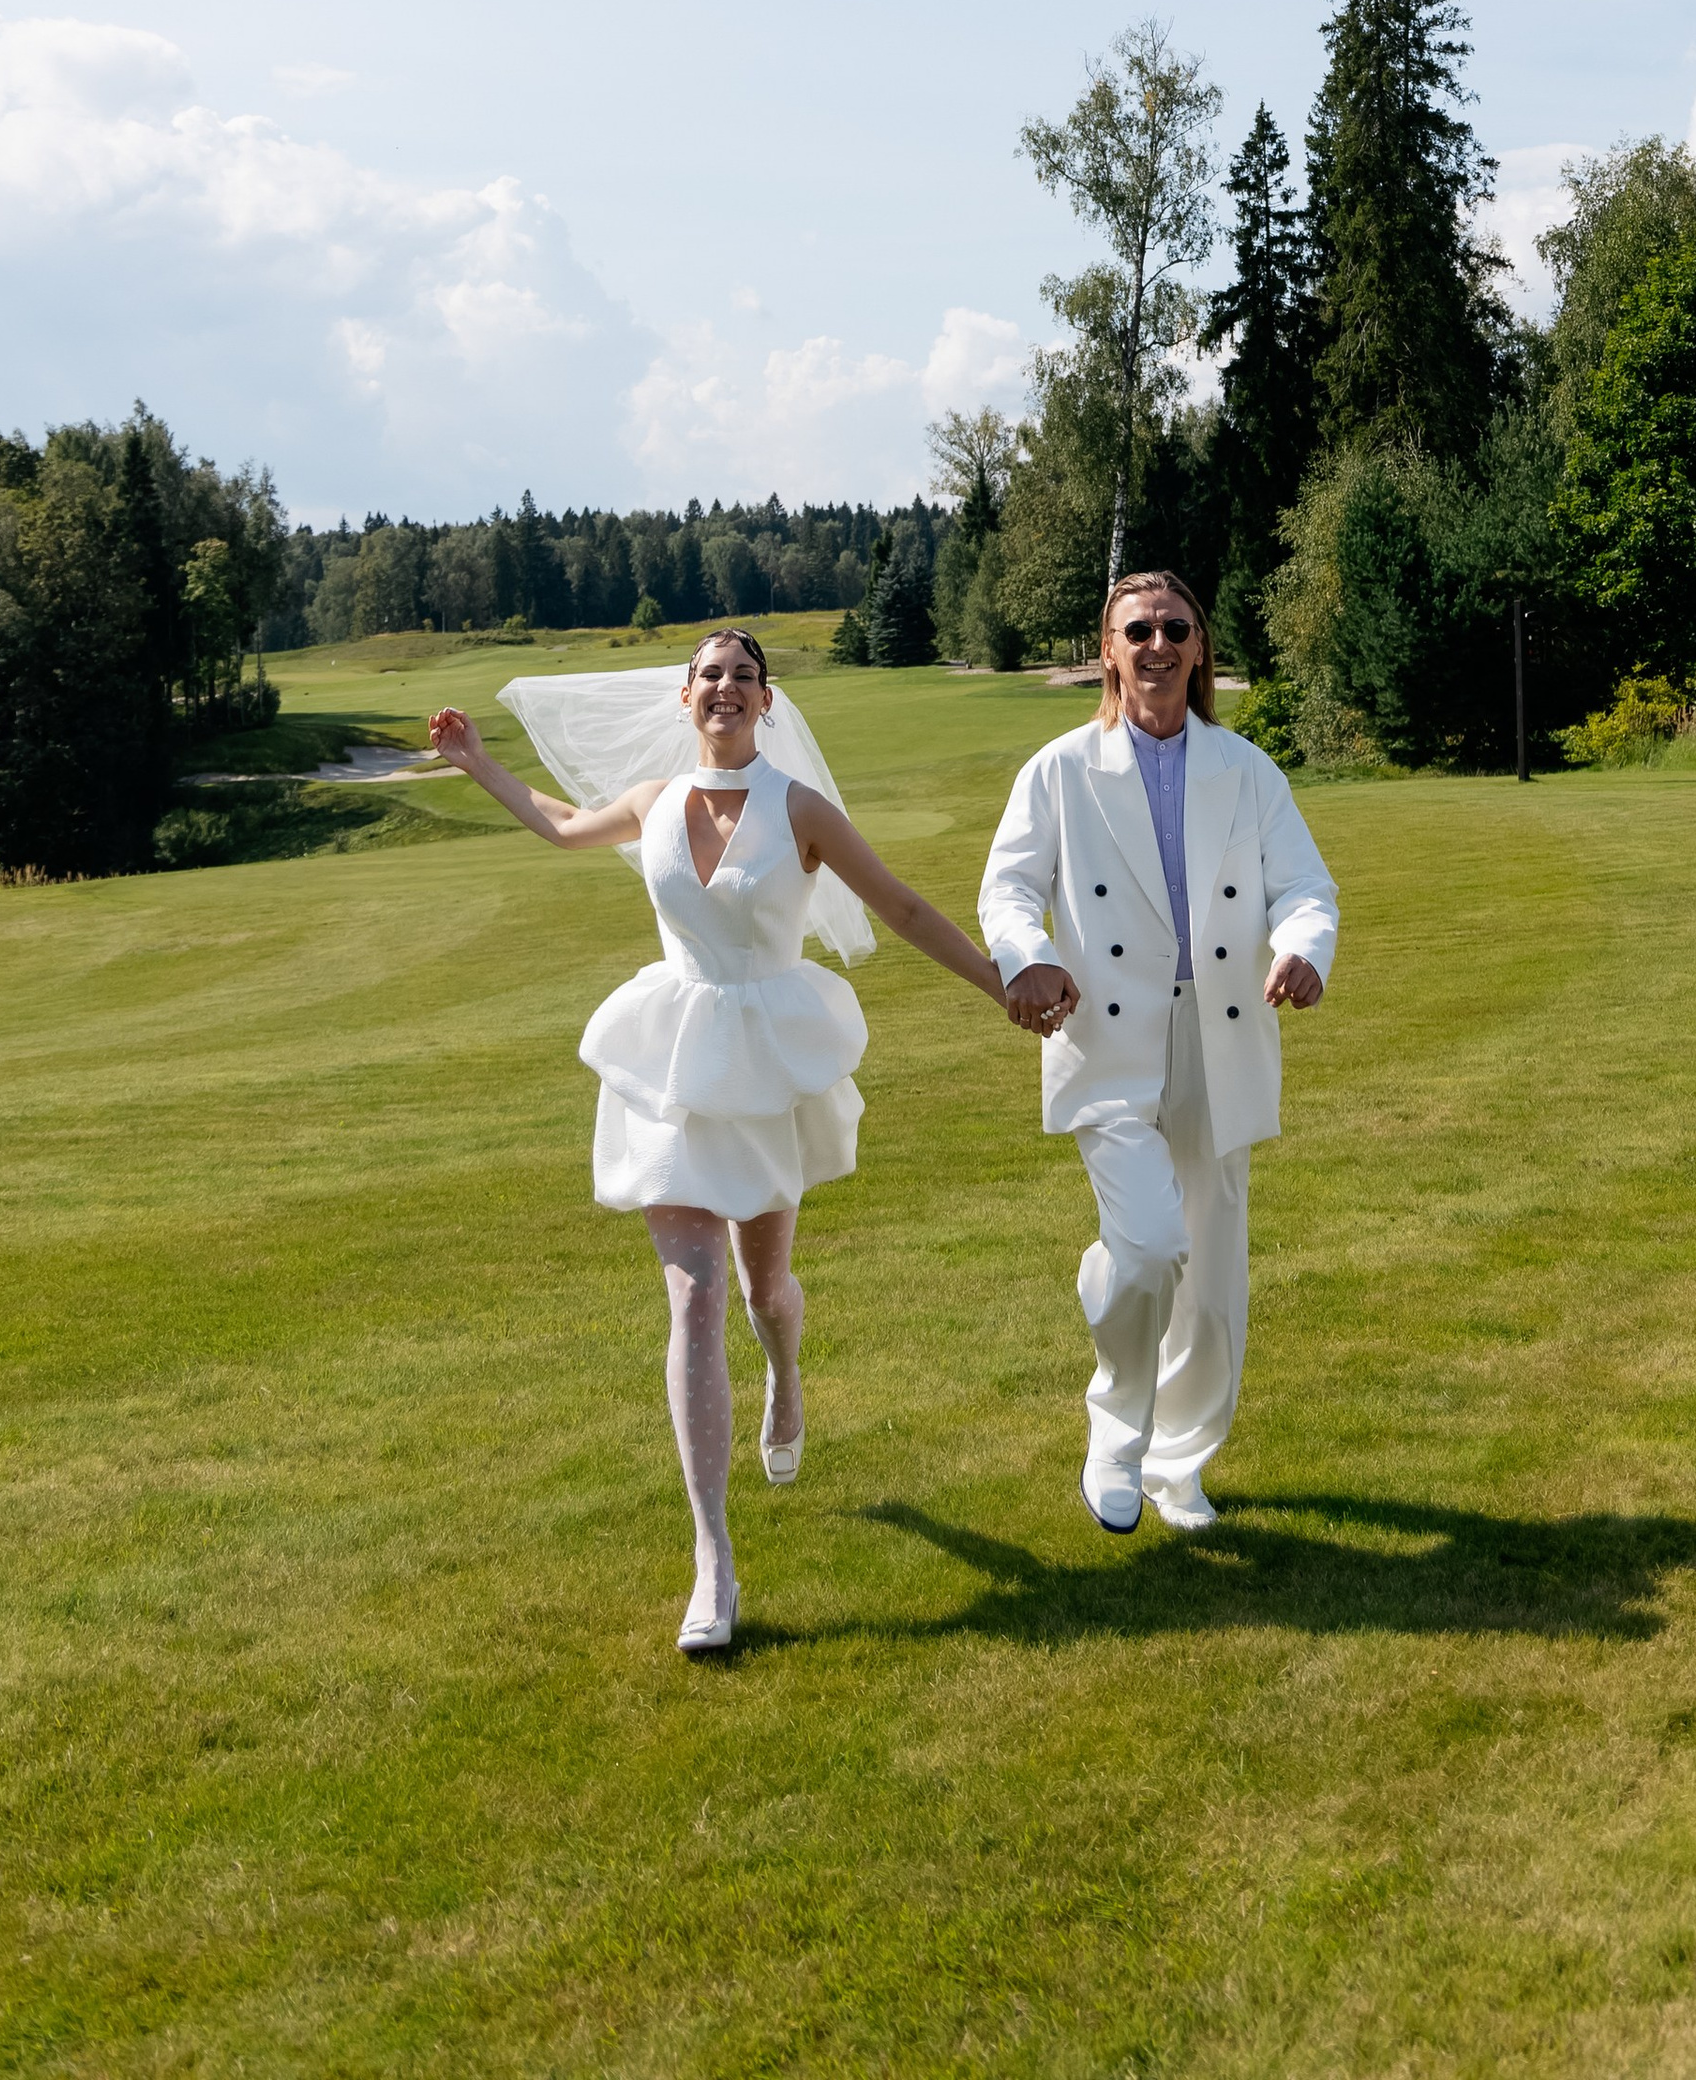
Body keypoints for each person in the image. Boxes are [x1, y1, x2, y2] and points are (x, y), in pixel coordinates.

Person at [428, 625, 1017, 1656]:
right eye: (710, 676)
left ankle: (787, 1377)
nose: (727, 689)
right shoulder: (654, 801)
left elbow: (905, 906)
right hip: (673, 1060)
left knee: (759, 1291)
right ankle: (713, 1560)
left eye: (745, 676)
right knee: (693, 1297)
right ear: (685, 697)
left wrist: (1001, 986)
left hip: (767, 1063)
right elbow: (567, 828)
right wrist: (482, 766)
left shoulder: (802, 811)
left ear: (768, 702)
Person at [980, 569, 1338, 1535]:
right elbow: (1009, 889)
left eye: (1175, 627)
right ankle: (1115, 1434)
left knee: (1211, 1278)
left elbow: (1306, 885)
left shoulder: (1249, 770)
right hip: (1104, 1033)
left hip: (1222, 1032)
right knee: (1144, 1251)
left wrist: (1303, 947)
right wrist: (1030, 958)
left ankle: (1179, 1466)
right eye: (1136, 629)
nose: (1157, 645)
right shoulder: (1058, 770)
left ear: (1199, 645)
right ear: (1108, 648)